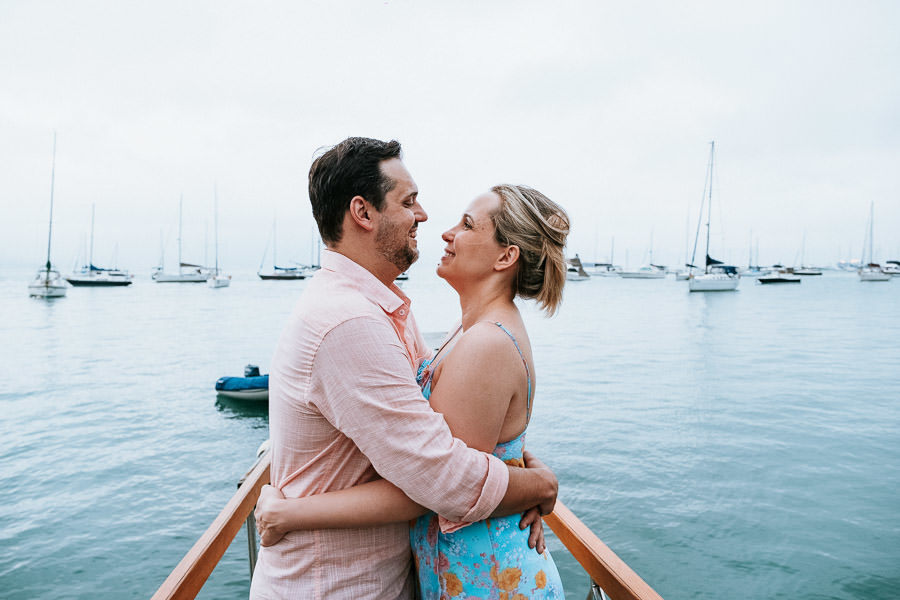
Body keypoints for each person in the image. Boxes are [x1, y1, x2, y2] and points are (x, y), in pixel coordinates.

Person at [249, 137, 559, 600]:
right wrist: (532, 483)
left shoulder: (383, 310)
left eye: (467, 224)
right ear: (364, 213)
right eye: (408, 201)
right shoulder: (350, 322)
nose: (428, 218)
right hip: (333, 587)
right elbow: (442, 479)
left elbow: (444, 460)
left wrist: (523, 475)